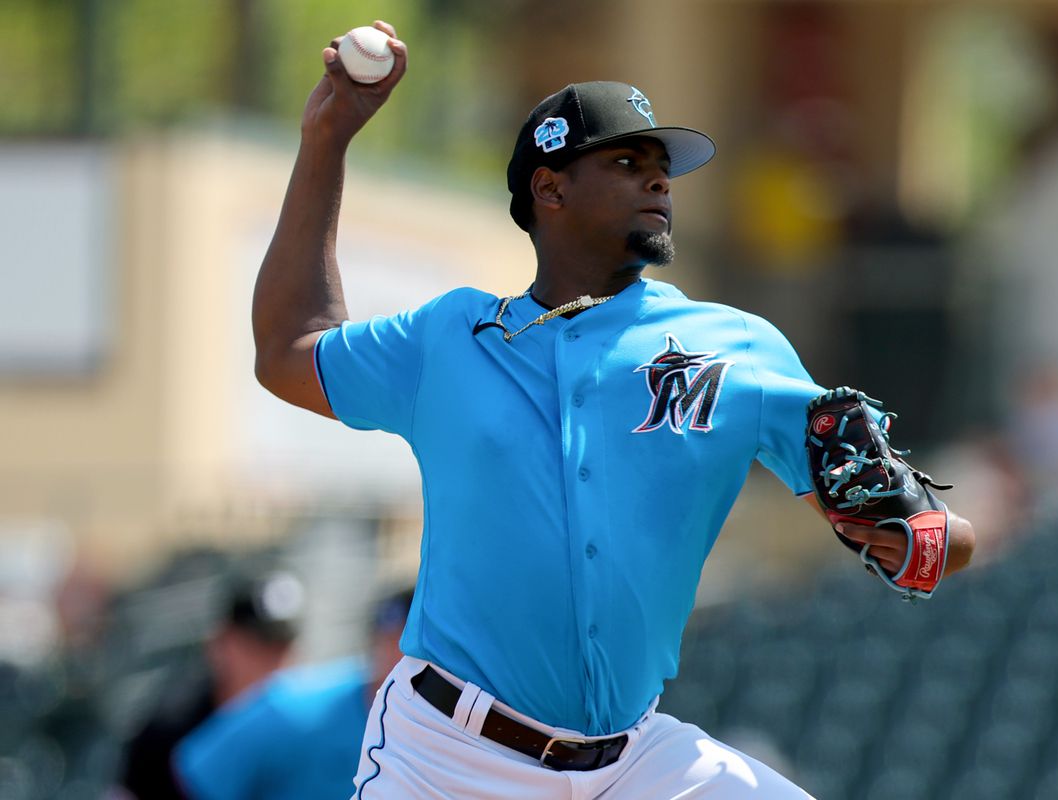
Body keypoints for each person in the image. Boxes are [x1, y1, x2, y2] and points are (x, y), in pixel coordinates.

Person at [251, 20, 976, 799]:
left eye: (663, 168)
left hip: (634, 763)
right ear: (550, 188)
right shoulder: (450, 337)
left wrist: (909, 536)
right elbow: (290, 350)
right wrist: (327, 139)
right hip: (446, 758)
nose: (658, 181)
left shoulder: (735, 346)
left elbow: (942, 541)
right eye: (628, 162)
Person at [171, 588, 413, 800]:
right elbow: (197, 779)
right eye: (394, 640)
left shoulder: (443, 728)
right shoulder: (292, 711)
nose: (401, 655)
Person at [119, 569, 303, 799]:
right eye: (256, 648)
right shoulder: (169, 732)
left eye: (281, 650)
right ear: (220, 645)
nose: (271, 665)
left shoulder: (311, 732)